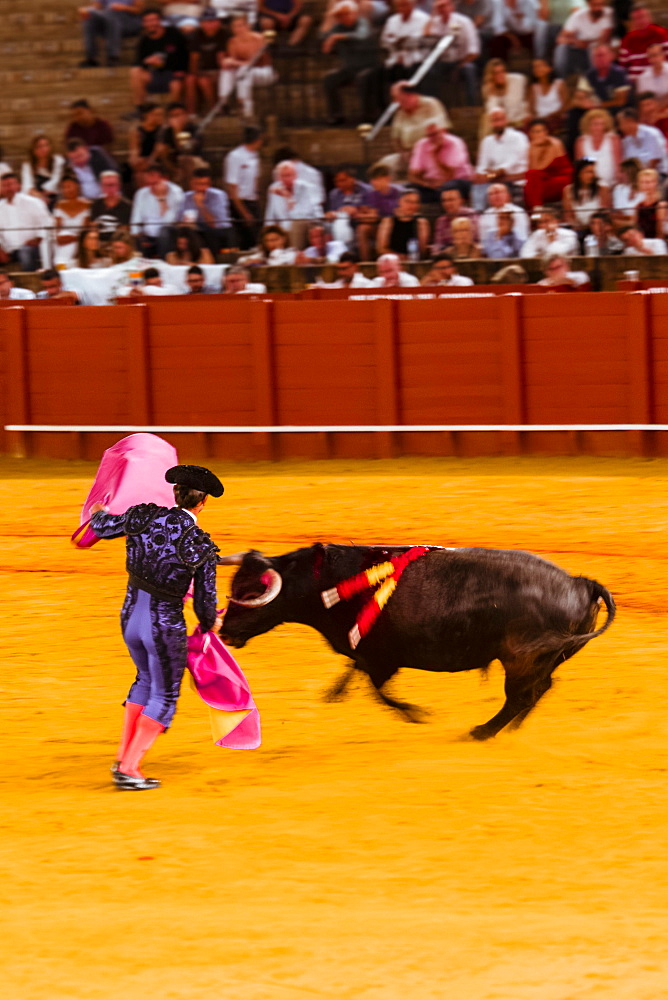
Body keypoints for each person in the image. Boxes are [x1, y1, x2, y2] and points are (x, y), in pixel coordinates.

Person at [89, 464, 224, 790]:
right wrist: (210, 624)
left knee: (144, 680)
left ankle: (124, 756)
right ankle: (129, 768)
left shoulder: (142, 516)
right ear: (202, 502)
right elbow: (206, 604)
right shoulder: (199, 545)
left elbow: (102, 527)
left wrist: (97, 510)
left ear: (175, 495)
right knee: (164, 693)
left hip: (130, 616)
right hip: (163, 626)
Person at [378, 82, 449, 181]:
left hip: (432, 152)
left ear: (410, 95)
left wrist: (423, 152)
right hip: (408, 154)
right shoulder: (400, 113)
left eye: (399, 99)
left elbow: (442, 131)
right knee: (385, 163)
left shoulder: (431, 104)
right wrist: (403, 153)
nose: (396, 103)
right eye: (395, 99)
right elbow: (395, 139)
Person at [321, 0, 374, 125]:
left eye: (345, 14)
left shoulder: (362, 22)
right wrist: (329, 20)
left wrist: (338, 37)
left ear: (354, 13)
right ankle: (336, 115)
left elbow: (362, 35)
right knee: (329, 79)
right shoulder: (338, 27)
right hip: (349, 68)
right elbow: (323, 37)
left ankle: (368, 115)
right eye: (339, 15)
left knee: (363, 78)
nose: (342, 17)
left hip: (368, 66)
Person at [218, 14, 276, 120]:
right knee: (227, 71)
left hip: (264, 72)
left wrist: (235, 62)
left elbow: (253, 62)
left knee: (244, 70)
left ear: (248, 26)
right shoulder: (232, 42)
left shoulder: (259, 39)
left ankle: (245, 107)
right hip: (245, 72)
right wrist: (227, 63)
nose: (239, 29)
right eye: (235, 26)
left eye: (241, 25)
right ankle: (224, 102)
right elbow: (234, 63)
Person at [423, 0, 480, 107]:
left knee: (469, 70)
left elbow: (474, 51)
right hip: (443, 62)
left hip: (462, 60)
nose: (442, 9)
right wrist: (431, 16)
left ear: (451, 6)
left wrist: (461, 64)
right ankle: (435, 107)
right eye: (439, 7)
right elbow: (426, 34)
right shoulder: (434, 22)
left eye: (444, 6)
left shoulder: (464, 22)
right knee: (427, 72)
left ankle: (471, 107)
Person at [471, 107, 529, 211]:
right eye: (494, 120)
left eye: (500, 120)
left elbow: (508, 166)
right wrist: (486, 175)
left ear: (506, 120)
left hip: (514, 180)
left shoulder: (518, 137)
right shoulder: (487, 141)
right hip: (493, 179)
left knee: (492, 186)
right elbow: (482, 166)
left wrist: (492, 174)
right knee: (478, 184)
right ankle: (478, 214)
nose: (497, 124)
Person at [131, 6, 189, 107]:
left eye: (153, 20)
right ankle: (140, 108)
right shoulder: (143, 40)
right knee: (135, 71)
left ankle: (173, 112)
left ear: (160, 20)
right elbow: (138, 62)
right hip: (155, 74)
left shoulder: (174, 33)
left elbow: (185, 54)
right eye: (147, 21)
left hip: (173, 74)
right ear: (143, 23)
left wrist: (177, 69)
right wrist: (147, 62)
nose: (151, 23)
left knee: (176, 85)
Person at [407, 121, 473, 202]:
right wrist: (427, 184)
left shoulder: (455, 142)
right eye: (429, 135)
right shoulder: (422, 144)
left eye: (435, 134)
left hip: (458, 180)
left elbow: (450, 175)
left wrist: (435, 156)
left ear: (443, 131)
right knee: (408, 190)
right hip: (433, 184)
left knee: (447, 188)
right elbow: (412, 175)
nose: (433, 138)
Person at [0, 171, 52, 270]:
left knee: (25, 252)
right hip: (8, 249)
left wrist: (39, 238)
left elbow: (47, 223)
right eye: (4, 185)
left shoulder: (33, 202)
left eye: (10, 184)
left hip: (32, 247)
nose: (8, 188)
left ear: (18, 185)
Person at [131, 162, 184, 257]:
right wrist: (137, 235)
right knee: (136, 238)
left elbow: (169, 221)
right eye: (149, 184)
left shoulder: (176, 192)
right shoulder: (141, 193)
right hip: (147, 236)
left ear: (165, 179)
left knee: (164, 232)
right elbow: (136, 219)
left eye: (155, 183)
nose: (151, 187)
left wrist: (162, 199)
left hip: (168, 233)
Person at [265, 160, 322, 248]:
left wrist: (289, 198)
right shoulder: (274, 188)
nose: (286, 179)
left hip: (306, 224)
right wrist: (267, 230)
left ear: (295, 175)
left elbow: (302, 215)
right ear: (278, 177)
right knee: (270, 233)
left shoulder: (305, 188)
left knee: (296, 225)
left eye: (289, 175)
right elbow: (270, 214)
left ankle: (294, 254)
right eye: (283, 176)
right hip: (284, 228)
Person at [224, 126, 263, 250]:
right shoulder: (235, 156)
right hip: (239, 204)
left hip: (253, 202)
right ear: (258, 140)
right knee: (245, 241)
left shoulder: (255, 156)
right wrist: (244, 212)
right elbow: (232, 186)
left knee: (256, 240)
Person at [178, 166, 233, 255]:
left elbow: (214, 223)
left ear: (210, 184)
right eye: (198, 184)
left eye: (204, 184)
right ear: (192, 184)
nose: (201, 188)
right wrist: (184, 223)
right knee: (173, 232)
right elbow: (179, 221)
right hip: (194, 229)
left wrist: (200, 205)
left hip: (217, 229)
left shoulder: (218, 196)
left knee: (209, 232)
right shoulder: (186, 197)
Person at [553, 0, 613, 78]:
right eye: (595, 5)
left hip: (596, 49)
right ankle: (561, 79)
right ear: (588, 4)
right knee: (561, 48)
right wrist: (576, 42)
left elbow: (604, 39)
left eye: (601, 5)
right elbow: (560, 39)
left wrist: (586, 43)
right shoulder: (578, 16)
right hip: (578, 50)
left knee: (597, 49)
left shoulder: (608, 14)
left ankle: (596, 79)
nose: (598, 8)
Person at [524, 117, 572, 213]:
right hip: (546, 182)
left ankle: (536, 212)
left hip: (562, 180)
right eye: (535, 132)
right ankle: (537, 209)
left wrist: (534, 149)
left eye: (541, 131)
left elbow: (541, 167)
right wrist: (534, 149)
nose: (539, 134)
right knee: (531, 178)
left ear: (546, 132)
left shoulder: (554, 143)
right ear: (530, 134)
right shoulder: (531, 146)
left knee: (532, 179)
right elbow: (533, 170)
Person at [356, 165, 405, 259]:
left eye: (376, 179)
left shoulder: (399, 192)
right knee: (362, 229)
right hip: (380, 225)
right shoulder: (373, 195)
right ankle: (365, 262)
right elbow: (373, 216)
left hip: (398, 225)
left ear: (387, 179)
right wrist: (359, 215)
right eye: (372, 180)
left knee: (388, 222)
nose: (373, 183)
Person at [186, 9, 228, 113]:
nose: (211, 24)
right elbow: (194, 58)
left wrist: (220, 73)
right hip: (203, 70)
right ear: (201, 23)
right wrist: (195, 73)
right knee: (190, 80)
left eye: (214, 20)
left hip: (220, 70)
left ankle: (215, 109)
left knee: (204, 82)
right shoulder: (196, 35)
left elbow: (223, 57)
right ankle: (191, 113)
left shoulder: (225, 34)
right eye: (207, 21)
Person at [79, 0, 144, 68]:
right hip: (108, 18)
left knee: (112, 13)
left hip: (129, 21)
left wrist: (124, 7)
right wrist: (87, 11)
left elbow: (139, 10)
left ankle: (113, 56)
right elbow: (97, 8)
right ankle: (91, 58)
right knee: (89, 16)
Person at [618, 4, 668, 82]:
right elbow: (623, 68)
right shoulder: (627, 40)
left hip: (662, 80)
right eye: (636, 19)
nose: (640, 21)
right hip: (636, 84)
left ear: (650, 18)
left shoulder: (662, 34)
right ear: (632, 22)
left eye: (642, 17)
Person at [562, 158, 611, 237]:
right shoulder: (568, 190)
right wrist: (578, 226)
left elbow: (605, 212)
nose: (592, 175)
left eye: (593, 172)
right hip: (578, 229)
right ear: (578, 174)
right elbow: (568, 216)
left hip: (598, 228)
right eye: (588, 172)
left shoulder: (602, 188)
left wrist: (593, 225)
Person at [52, 174, 91, 269]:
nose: (67, 190)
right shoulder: (59, 205)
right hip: (64, 241)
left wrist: (75, 238)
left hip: (82, 240)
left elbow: (86, 230)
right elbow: (58, 233)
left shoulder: (88, 205)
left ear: (77, 187)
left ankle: (62, 266)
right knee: (64, 236)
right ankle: (62, 265)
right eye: (64, 187)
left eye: (69, 186)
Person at [376, 188, 429, 258]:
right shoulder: (388, 221)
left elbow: (422, 250)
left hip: (414, 259)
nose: (412, 206)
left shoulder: (421, 222)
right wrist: (400, 257)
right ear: (399, 201)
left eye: (416, 202)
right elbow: (381, 249)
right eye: (408, 202)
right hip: (392, 259)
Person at [480, 58, 528, 134]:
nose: (501, 75)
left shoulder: (517, 80)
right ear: (491, 76)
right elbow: (492, 111)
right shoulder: (488, 88)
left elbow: (524, 99)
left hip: (519, 121)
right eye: (496, 73)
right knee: (486, 119)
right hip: (501, 125)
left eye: (502, 71)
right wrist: (493, 92)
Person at [575, 109, 621, 187]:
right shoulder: (581, 141)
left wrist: (618, 181)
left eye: (601, 124)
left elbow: (618, 162)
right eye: (595, 124)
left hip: (612, 183)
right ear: (588, 125)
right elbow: (581, 165)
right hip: (591, 184)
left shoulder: (613, 139)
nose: (599, 127)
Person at [21, 135, 65, 210]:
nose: (43, 149)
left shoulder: (58, 160)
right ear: (34, 150)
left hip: (56, 196)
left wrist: (45, 192)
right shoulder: (27, 165)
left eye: (46, 145)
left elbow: (55, 181)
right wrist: (40, 196)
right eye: (39, 146)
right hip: (36, 198)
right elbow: (27, 186)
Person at [477, 179, 529, 243]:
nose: (496, 196)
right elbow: (484, 239)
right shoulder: (485, 215)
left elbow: (522, 236)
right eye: (491, 194)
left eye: (498, 192)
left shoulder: (518, 212)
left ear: (507, 195)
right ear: (488, 199)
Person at [128, 102, 168, 186]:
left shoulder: (164, 130)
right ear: (147, 115)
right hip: (144, 162)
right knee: (139, 174)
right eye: (157, 115)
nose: (160, 117)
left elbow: (160, 150)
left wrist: (149, 162)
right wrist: (135, 160)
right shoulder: (136, 130)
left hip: (160, 161)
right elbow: (134, 151)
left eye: (161, 115)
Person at [431, 185, 478, 252]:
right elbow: (438, 245)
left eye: (451, 200)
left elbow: (477, 240)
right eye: (444, 201)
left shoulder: (471, 215)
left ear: (460, 201)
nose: (447, 204)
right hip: (449, 256)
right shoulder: (441, 221)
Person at [585, 42, 631, 111]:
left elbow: (620, 101)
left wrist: (599, 105)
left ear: (611, 56)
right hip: (595, 112)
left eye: (601, 55)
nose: (599, 59)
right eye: (596, 56)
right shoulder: (589, 75)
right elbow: (584, 97)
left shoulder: (619, 73)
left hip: (616, 111)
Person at [89, 170, 133, 240]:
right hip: (99, 243)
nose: (109, 188)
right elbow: (93, 228)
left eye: (112, 185)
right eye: (106, 185)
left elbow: (125, 232)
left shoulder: (127, 206)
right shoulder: (96, 205)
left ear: (118, 186)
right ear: (101, 187)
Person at [527, 58, 567, 134]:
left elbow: (565, 106)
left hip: (556, 119)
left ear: (549, 68)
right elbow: (531, 109)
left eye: (540, 66)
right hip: (540, 120)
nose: (537, 69)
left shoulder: (559, 84)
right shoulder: (533, 88)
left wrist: (553, 115)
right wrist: (538, 118)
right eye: (535, 67)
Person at [633, 167, 667, 239]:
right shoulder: (638, 206)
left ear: (656, 183)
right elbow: (635, 229)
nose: (646, 185)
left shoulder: (661, 205)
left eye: (649, 182)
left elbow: (660, 233)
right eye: (643, 182)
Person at [612, 156, 644, 223]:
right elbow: (617, 213)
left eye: (622, 172)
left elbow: (641, 216)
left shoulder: (644, 191)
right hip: (621, 225)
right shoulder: (618, 190)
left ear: (630, 173)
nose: (619, 175)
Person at [636, 43, 668, 108]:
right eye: (650, 56)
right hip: (653, 111)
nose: (653, 60)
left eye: (655, 55)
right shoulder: (643, 78)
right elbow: (643, 102)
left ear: (663, 55)